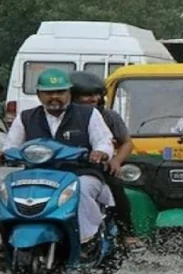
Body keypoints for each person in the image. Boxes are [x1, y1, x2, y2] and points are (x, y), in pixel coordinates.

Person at [1, 69, 115, 256]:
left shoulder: (89, 114)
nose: (54, 97)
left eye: (60, 92)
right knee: (4, 189)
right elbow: (11, 145)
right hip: (36, 175)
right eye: (48, 93)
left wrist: (100, 152)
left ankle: (86, 240)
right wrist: (5, 153)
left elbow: (104, 140)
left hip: (78, 173)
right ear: (39, 95)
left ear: (69, 93)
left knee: (84, 188)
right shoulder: (26, 117)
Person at [69, 71, 144, 251]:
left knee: (116, 187)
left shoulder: (109, 116)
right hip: (64, 167)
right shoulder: (64, 116)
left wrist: (116, 161)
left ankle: (127, 233)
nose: (92, 99)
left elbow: (126, 143)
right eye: (85, 95)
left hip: (96, 168)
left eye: (96, 94)